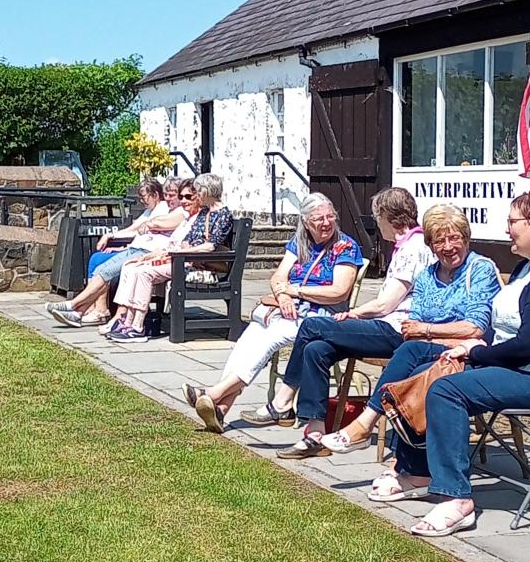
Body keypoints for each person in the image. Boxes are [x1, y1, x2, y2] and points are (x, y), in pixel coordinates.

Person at [344, 189, 530, 538]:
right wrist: (468, 348)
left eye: (513, 222)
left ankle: (457, 498)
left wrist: (474, 351)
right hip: (517, 365)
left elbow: (528, 346)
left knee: (446, 390)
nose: (507, 229)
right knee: (419, 365)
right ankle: (416, 470)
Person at [270, 203, 499, 454]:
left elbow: (474, 327)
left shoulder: (479, 269)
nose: (447, 247)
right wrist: (425, 330)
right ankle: (315, 433)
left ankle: (306, 407)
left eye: (454, 238)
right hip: (420, 341)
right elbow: (413, 326)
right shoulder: (427, 276)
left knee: (314, 326)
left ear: (466, 238)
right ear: (431, 246)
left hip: (458, 350)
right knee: (316, 348)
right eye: (439, 241)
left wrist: (426, 330)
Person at [181, 190, 365, 432]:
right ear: (306, 222)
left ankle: (213, 393)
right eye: (319, 219)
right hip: (290, 309)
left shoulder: (345, 247)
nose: (326, 223)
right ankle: (220, 409)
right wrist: (282, 294)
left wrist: (295, 291)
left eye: (330, 217)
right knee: (250, 337)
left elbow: (338, 292)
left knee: (268, 339)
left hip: (321, 316)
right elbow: (278, 276)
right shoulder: (300, 242)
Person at [102, 172, 233, 344]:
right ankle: (127, 322)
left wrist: (181, 252)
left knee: (144, 273)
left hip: (198, 265)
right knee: (134, 267)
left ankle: (138, 327)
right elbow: (189, 238)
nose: (196, 194)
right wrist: (178, 249)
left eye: (198, 191)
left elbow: (210, 246)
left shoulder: (223, 215)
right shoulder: (205, 213)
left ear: (208, 191)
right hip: (184, 259)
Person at [45, 179, 185, 328]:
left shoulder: (174, 210)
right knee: (99, 266)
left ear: (155, 195)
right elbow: (138, 228)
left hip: (146, 252)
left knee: (105, 271)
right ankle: (83, 311)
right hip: (135, 248)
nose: (169, 199)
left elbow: (155, 225)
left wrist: (149, 225)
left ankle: (74, 306)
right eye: (167, 195)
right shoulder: (161, 210)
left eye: (173, 195)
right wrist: (114, 237)